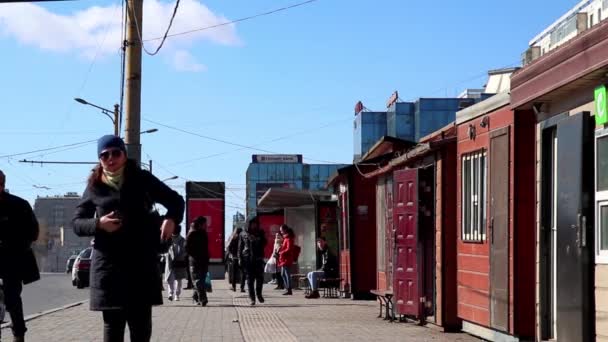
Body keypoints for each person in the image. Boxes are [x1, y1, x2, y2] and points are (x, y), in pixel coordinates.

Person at [72, 135, 185, 342]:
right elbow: (77, 223)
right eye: (105, 155)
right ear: (100, 159)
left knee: (140, 328)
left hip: (140, 264)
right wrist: (98, 224)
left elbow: (176, 201)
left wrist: (171, 219)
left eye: (116, 153)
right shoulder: (95, 186)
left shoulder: (142, 179)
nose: (111, 158)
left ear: (124, 155)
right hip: (109, 268)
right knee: (112, 328)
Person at [0, 170, 40, 342]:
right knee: (11, 299)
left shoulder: (19, 205)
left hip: (12, 261)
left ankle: (18, 334)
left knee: (12, 299)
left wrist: (13, 244)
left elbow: (33, 233)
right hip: (12, 260)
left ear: (2, 185)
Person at [238, 217, 267, 306]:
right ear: (248, 224)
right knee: (250, 280)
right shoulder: (243, 234)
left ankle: (259, 294)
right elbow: (240, 247)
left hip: (258, 258)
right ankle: (252, 298)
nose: (254, 225)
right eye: (252, 223)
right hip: (247, 259)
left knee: (260, 278)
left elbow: (265, 243)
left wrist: (258, 239)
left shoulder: (260, 233)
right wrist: (240, 258)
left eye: (255, 223)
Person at [186, 216, 210, 306]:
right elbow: (186, 247)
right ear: (200, 224)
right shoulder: (192, 233)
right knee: (198, 281)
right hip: (194, 261)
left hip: (204, 260)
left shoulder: (203, 233)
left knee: (202, 281)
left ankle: (195, 297)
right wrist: (194, 255)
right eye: (204, 224)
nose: (206, 225)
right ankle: (203, 299)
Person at [165, 225, 188, 301]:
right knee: (170, 279)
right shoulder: (168, 239)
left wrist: (181, 256)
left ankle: (177, 295)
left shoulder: (182, 240)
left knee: (178, 279)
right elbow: (165, 250)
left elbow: (185, 252)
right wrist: (165, 255)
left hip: (179, 262)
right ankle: (170, 293)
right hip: (170, 262)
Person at [277, 225, 296, 296]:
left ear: (285, 230)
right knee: (283, 274)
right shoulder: (286, 238)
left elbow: (289, 249)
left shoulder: (289, 238)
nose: (281, 232)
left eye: (281, 230)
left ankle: (289, 289)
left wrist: (281, 252)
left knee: (287, 274)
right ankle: (287, 288)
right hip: (284, 259)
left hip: (286, 259)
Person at [226, 227, 245, 293]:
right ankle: (242, 287)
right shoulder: (243, 238)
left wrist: (232, 254)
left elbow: (229, 247)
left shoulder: (234, 238)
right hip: (242, 258)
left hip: (234, 258)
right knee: (243, 273)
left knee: (234, 273)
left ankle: (234, 287)